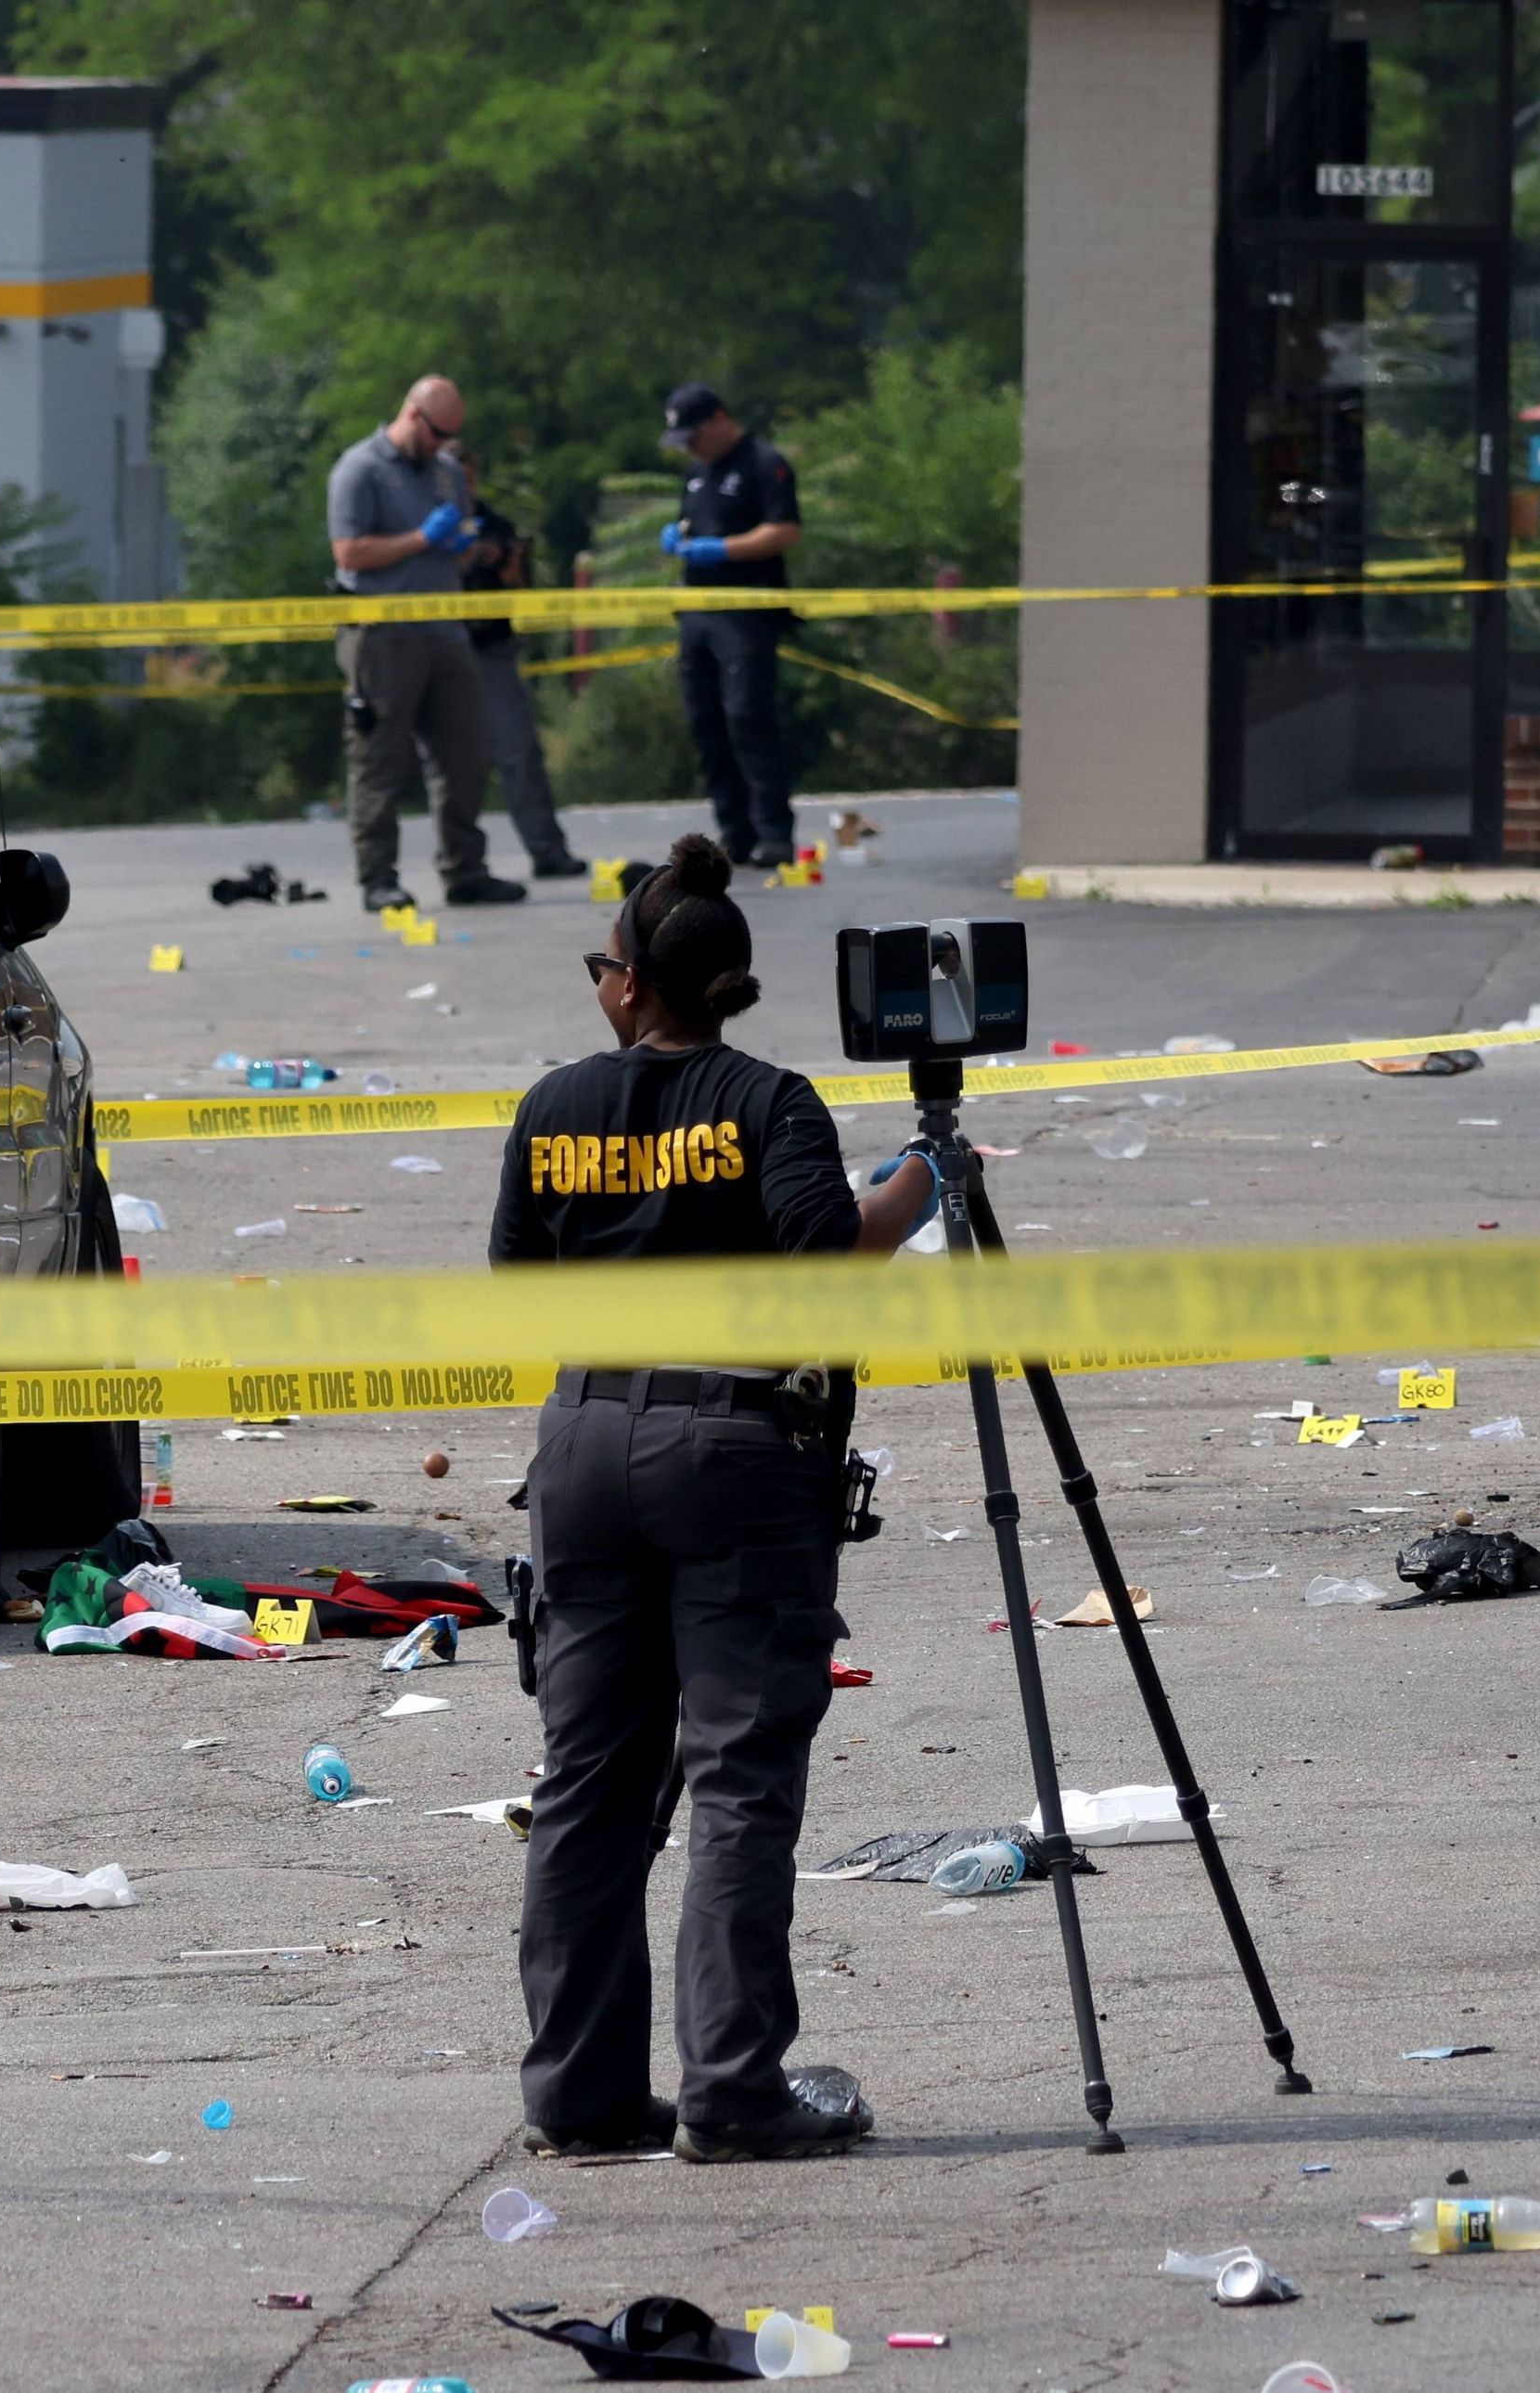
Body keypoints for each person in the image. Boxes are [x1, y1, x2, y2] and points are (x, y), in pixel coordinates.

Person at [492, 834, 939, 2164]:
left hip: (585, 1443)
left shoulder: (553, 1105)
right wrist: (923, 1183)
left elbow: (516, 1288)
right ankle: (733, 2089)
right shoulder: (769, 1101)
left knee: (588, 1780)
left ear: (635, 983)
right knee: (736, 1774)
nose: (598, 983)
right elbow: (826, 1259)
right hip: (736, 1449)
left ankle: (579, 2096)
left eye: (601, 963)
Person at [327, 376, 524, 913]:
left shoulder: (446, 473)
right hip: (383, 636)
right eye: (437, 434)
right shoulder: (359, 469)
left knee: (467, 755)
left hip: (446, 631)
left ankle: (465, 870)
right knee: (379, 759)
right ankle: (378, 878)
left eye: (449, 437)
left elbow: (453, 550)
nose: (442, 445)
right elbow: (349, 552)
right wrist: (420, 538)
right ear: (413, 415)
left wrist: (467, 548)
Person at [657, 384, 805, 868]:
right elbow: (688, 525)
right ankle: (734, 832)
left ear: (719, 419)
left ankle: (773, 832)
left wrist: (722, 549)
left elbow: (785, 530)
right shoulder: (697, 474)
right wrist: (679, 540)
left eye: (694, 436)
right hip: (697, 612)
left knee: (748, 718)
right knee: (707, 723)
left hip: (745, 614)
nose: (691, 448)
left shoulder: (764, 463)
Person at [422, 441, 585, 882]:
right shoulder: (424, 525)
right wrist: (462, 555)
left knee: (518, 751)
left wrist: (507, 562)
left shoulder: (495, 524)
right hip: (442, 647)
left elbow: (521, 591)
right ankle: (459, 862)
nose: (463, 486)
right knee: (449, 763)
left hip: (491, 649)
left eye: (468, 477)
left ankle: (547, 850)